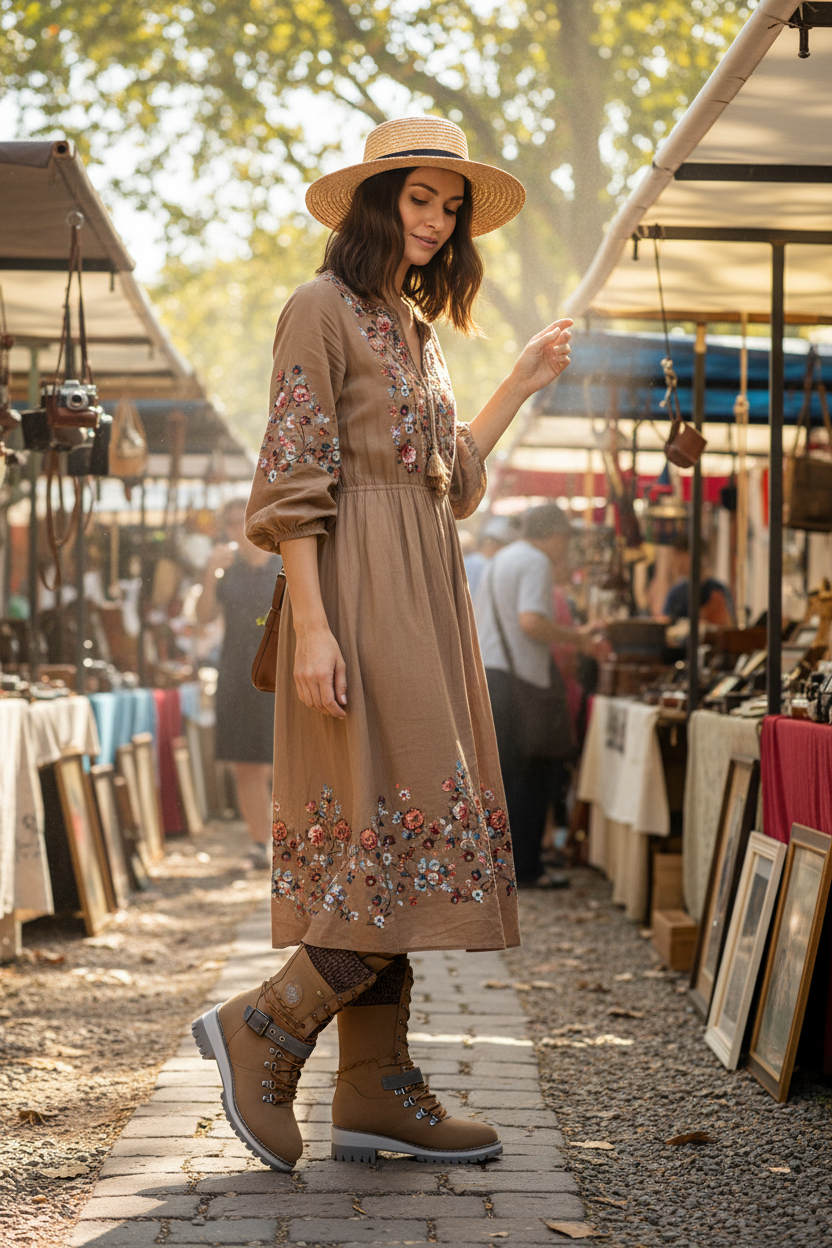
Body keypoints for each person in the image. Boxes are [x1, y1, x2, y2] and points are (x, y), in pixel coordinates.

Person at [190, 115, 572, 1172]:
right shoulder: (317, 308)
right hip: (355, 598)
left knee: (407, 831)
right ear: (376, 202)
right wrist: (313, 627)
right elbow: (293, 480)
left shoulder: (413, 328)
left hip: (424, 593)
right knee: (389, 831)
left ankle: (370, 1087)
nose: (438, 222)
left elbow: (447, 479)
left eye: (450, 209)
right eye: (420, 200)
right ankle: (263, 1026)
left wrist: (522, 382)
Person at [475, 503, 599, 887]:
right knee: (532, 775)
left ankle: (507, 866)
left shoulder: (503, 557)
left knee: (509, 776)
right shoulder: (535, 562)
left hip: (494, 677)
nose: (566, 547)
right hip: (518, 681)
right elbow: (531, 621)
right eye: (565, 537)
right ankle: (526, 869)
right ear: (555, 534)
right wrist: (577, 637)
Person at [197, 497, 280, 869]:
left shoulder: (284, 563)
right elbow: (203, 618)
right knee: (246, 764)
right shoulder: (225, 570)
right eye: (230, 523)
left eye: (242, 520)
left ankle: (293, 840)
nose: (237, 529)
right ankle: (259, 844)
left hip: (279, 672)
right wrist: (208, 575)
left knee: (284, 760)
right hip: (235, 671)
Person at [661, 533, 735, 626]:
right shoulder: (676, 592)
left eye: (679, 555)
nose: (675, 562)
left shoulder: (717, 589)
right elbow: (665, 625)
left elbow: (728, 627)